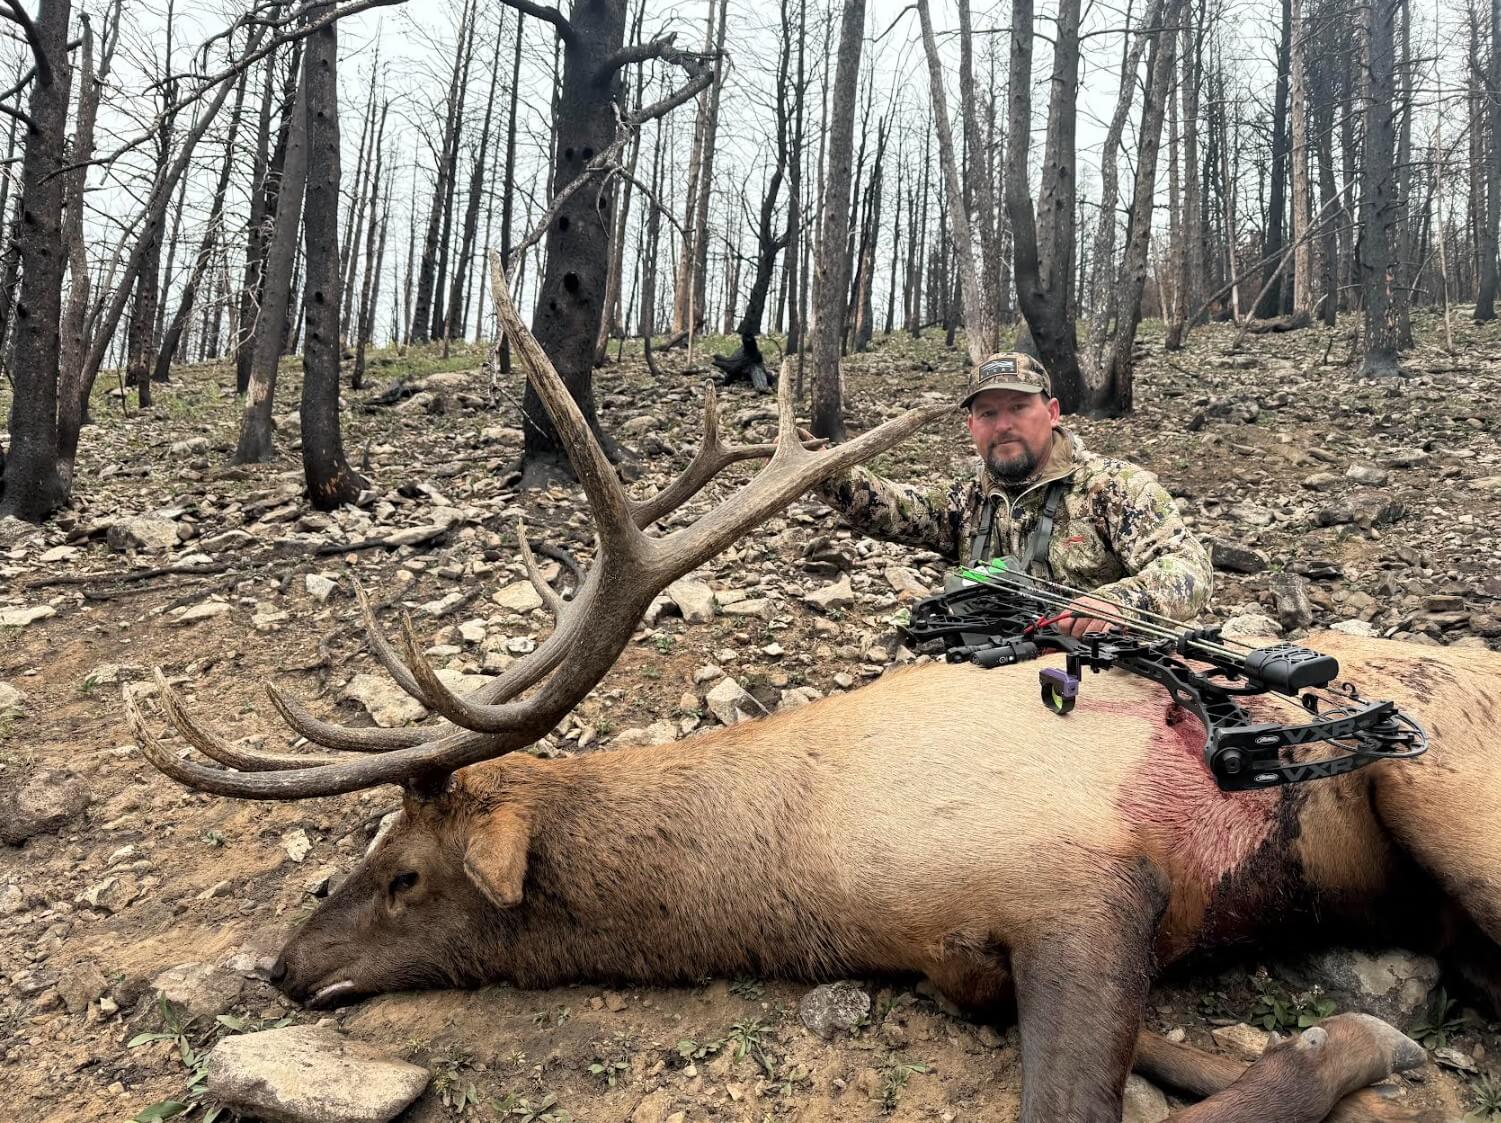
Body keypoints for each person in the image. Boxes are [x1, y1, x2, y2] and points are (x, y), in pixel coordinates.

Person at [816, 352, 1213, 636]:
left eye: (1019, 407)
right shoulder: (967, 500)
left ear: (1052, 412)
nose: (1003, 425)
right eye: (988, 413)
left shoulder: (1115, 488)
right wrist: (824, 470)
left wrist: (1121, 603)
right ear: (971, 426)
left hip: (1103, 685)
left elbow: (1190, 568)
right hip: (999, 681)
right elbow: (893, 509)